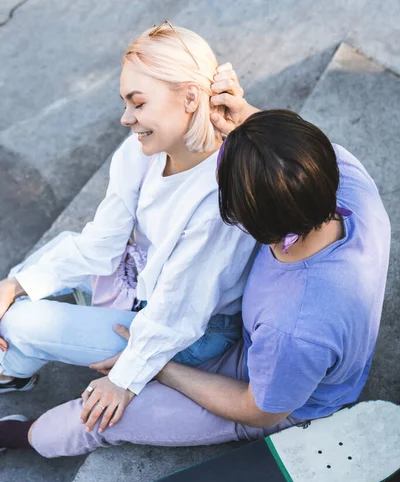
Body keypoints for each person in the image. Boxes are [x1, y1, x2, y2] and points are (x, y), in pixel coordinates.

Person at [0, 64, 390, 458]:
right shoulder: (346, 177)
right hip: (265, 342)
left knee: (98, 418)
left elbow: (258, 410)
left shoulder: (295, 325)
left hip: (271, 395)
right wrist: (245, 118)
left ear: (252, 225)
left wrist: (161, 368)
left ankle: (18, 435)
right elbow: (284, 151)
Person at [0, 24, 257, 430]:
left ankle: (8, 368)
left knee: (19, 323)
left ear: (190, 97)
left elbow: (180, 314)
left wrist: (125, 378)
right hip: (144, 281)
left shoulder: (221, 200)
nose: (125, 119)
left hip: (192, 331)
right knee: (46, 263)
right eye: (125, 104)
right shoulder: (144, 152)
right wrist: (12, 286)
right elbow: (100, 245)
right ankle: (14, 366)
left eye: (137, 103)